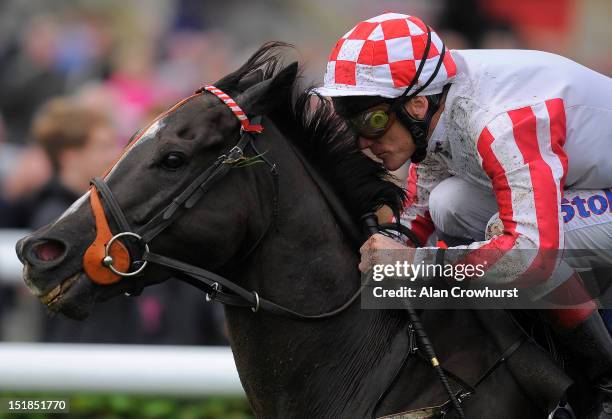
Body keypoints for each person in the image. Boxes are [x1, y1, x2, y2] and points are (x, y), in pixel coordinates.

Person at [314, 12, 612, 417]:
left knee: (507, 238)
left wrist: (414, 263)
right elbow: (422, 208)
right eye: (349, 123)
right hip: (582, 183)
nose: (364, 142)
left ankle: (603, 382)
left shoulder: (500, 121)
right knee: (449, 204)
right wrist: (390, 250)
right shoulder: (436, 100)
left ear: (417, 104)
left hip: (590, 195)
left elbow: (532, 255)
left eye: (374, 121)